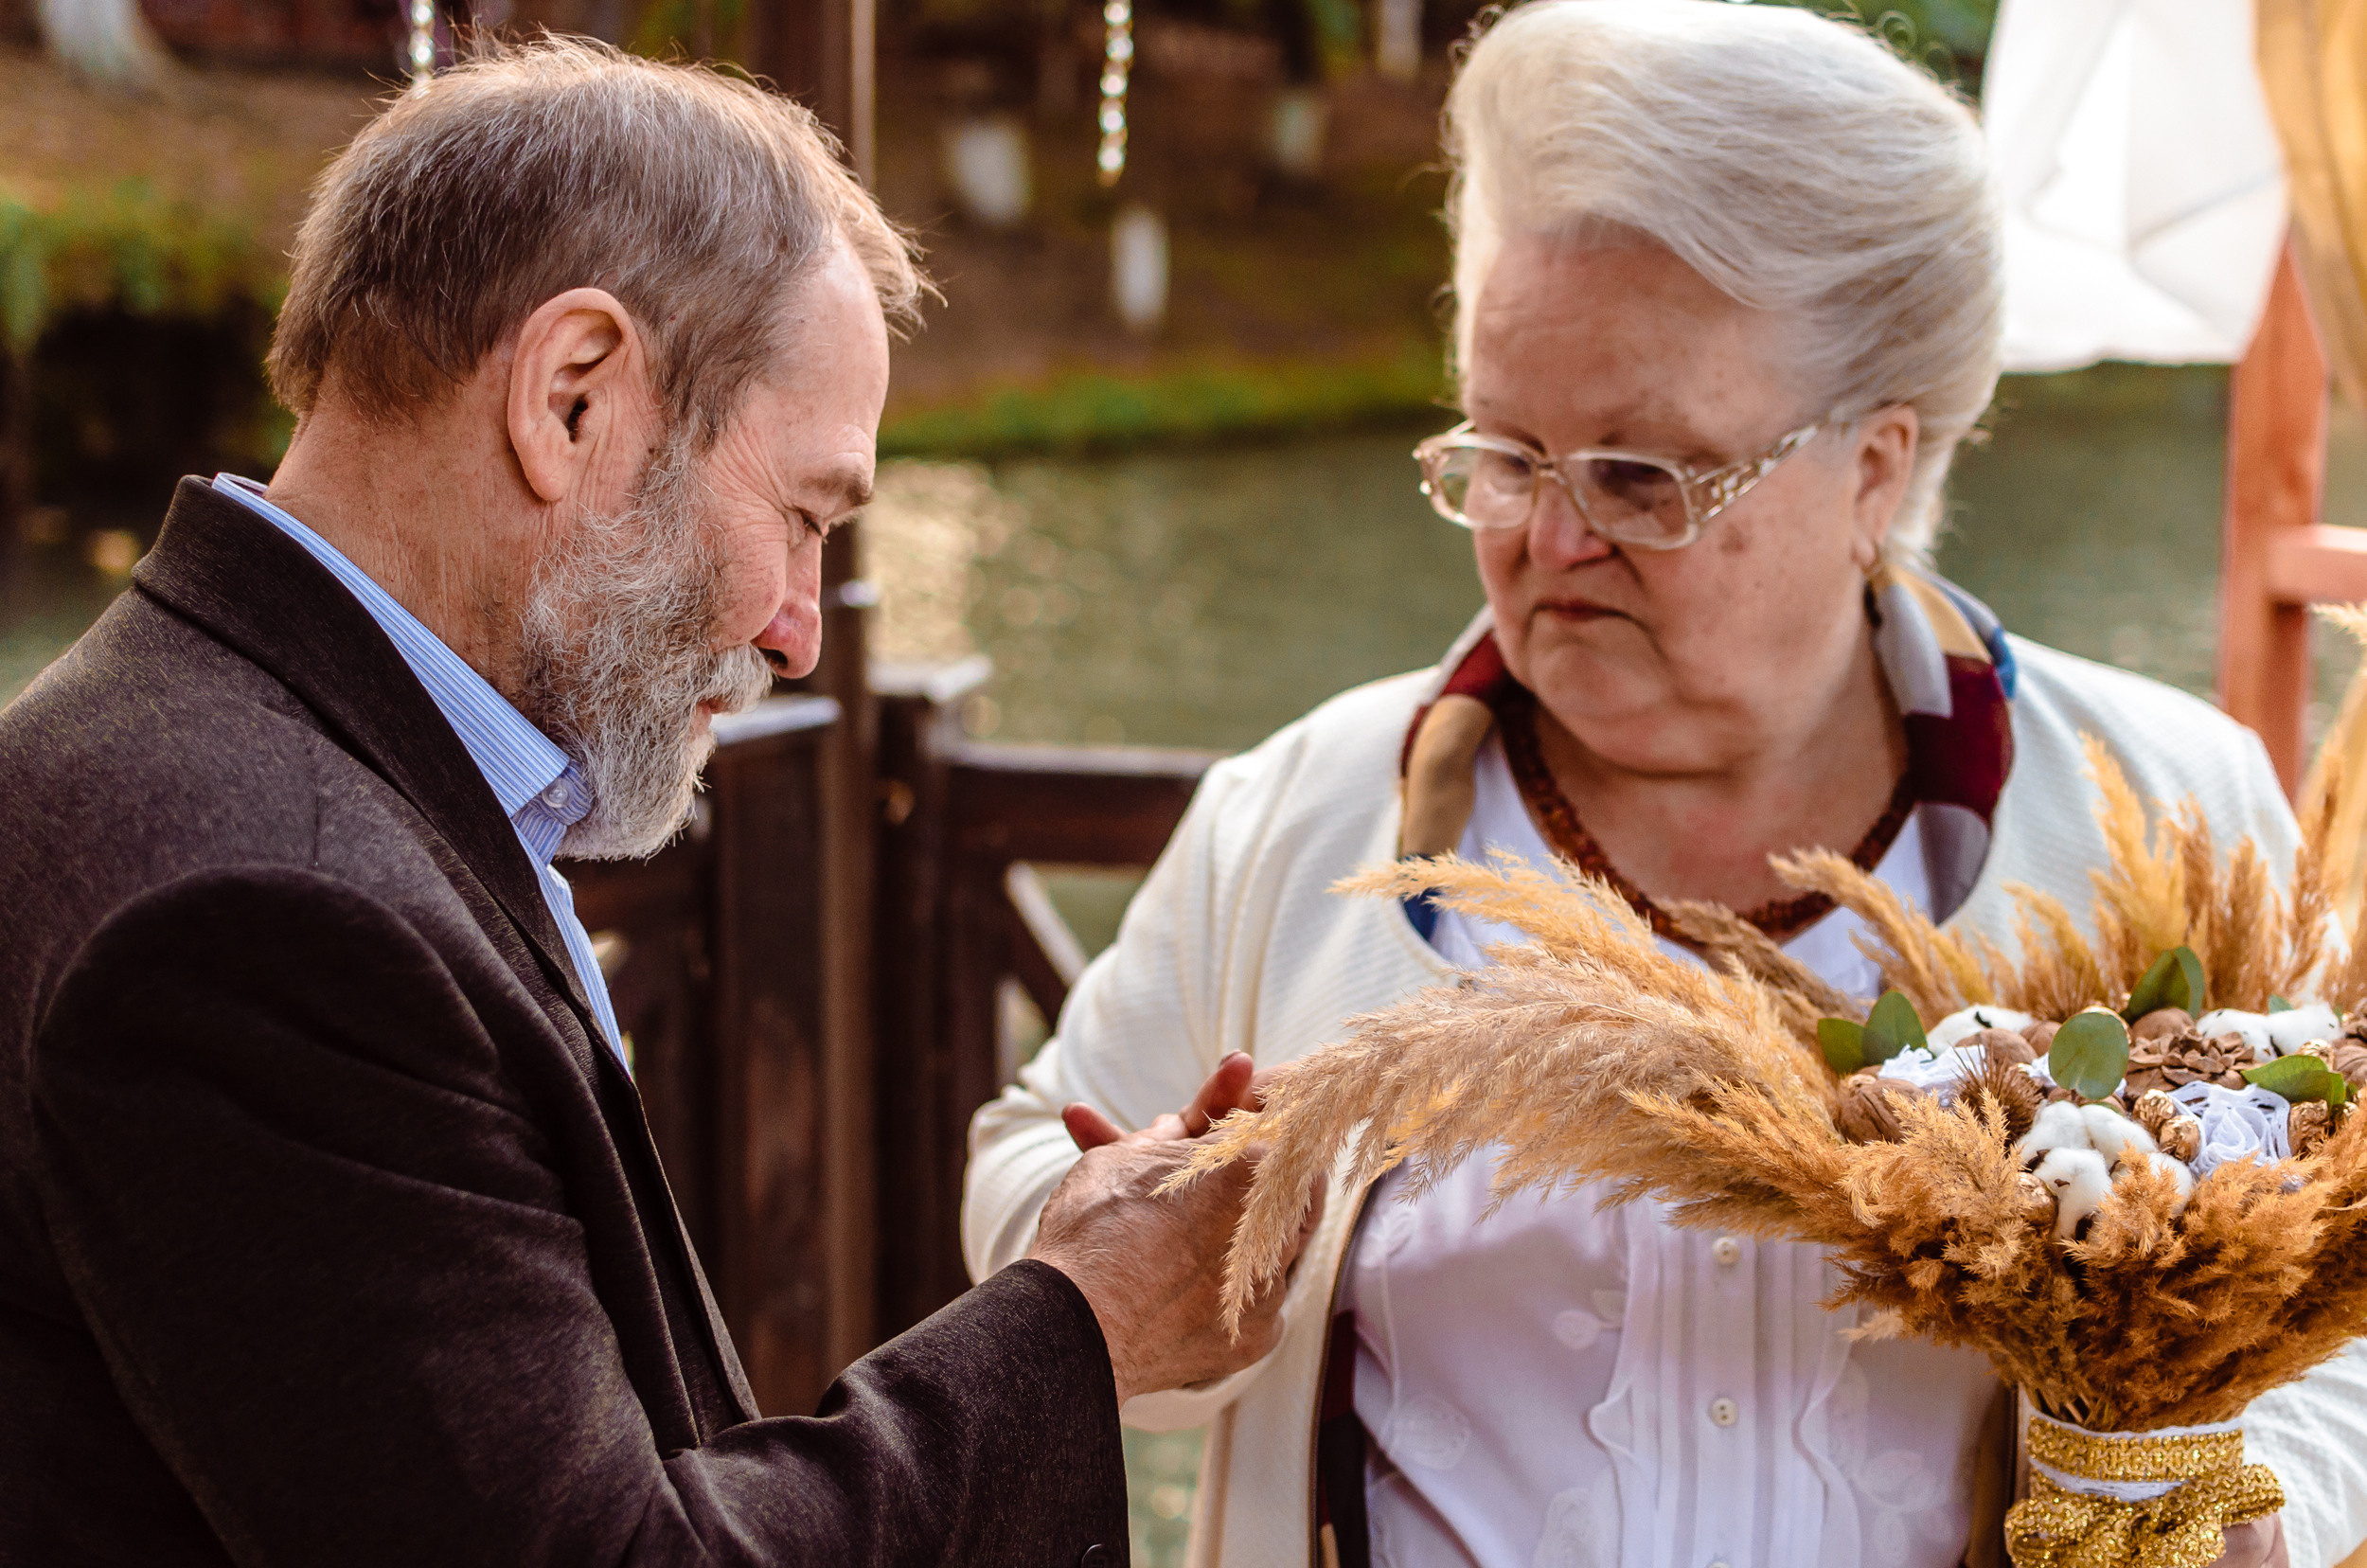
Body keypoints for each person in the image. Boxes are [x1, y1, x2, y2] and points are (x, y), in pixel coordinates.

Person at [962, 5, 2367, 1566]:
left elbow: (2349, 1323)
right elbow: (1032, 1164)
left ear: (1880, 469)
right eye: (1505, 453)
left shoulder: (2170, 801)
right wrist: (1138, 1266)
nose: (1550, 537)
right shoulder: (1294, 815)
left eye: (1642, 476)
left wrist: (2236, 1507)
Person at [0, 41, 1307, 1567]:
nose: (800, 626)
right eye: (803, 515)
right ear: (573, 399)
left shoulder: (199, 738)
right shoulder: (265, 915)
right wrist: (1089, 1325)